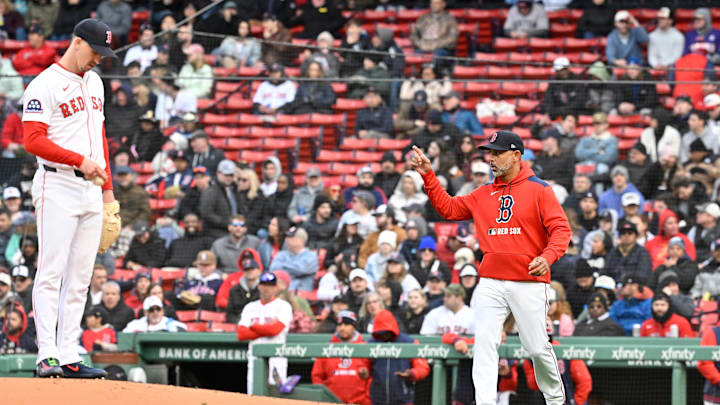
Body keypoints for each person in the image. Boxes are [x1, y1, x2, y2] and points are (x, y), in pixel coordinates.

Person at [411, 129, 571, 405]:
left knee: (536, 346)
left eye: (498, 153)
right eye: (489, 153)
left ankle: (555, 400)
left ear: (516, 155)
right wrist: (428, 175)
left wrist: (548, 256)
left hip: (529, 280)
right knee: (484, 345)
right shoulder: (483, 193)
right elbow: (448, 209)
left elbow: (561, 229)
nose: (492, 159)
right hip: (491, 281)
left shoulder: (540, 189)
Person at [22, 18, 118, 379]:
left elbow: (100, 136)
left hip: (92, 189)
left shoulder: (95, 82)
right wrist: (79, 160)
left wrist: (109, 194)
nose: (99, 59)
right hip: (57, 184)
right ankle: (46, 353)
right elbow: (32, 140)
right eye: (95, 50)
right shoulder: (43, 84)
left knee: (80, 277)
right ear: (77, 42)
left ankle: (68, 352)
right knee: (51, 272)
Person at [236, 272, 293, 395]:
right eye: (264, 285)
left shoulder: (283, 306)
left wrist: (253, 326)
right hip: (254, 357)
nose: (267, 288)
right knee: (254, 395)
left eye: (271, 285)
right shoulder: (250, 307)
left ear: (276, 288)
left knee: (276, 397)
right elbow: (241, 334)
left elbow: (275, 330)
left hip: (276, 357)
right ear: (259, 286)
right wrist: (266, 328)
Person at [368, 309, 430, 405]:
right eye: (381, 332)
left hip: (403, 398)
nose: (384, 335)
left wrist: (412, 373)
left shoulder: (409, 342)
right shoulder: (371, 343)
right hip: (377, 398)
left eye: (387, 332)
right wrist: (363, 372)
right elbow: (364, 366)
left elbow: (423, 367)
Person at [311, 310, 371, 405]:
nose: (342, 328)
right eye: (339, 325)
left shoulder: (364, 347)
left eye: (347, 324)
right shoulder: (327, 348)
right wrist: (324, 400)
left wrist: (365, 401)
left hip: (359, 402)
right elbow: (317, 377)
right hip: (331, 402)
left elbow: (371, 378)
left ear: (353, 326)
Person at [269, 226, 318, 291]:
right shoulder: (281, 254)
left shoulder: (311, 256)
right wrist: (294, 269)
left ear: (301, 240)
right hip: (281, 292)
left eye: (290, 237)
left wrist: (283, 267)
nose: (286, 239)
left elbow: (301, 270)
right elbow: (273, 270)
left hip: (302, 293)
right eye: (287, 237)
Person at [409, 0, 457, 66]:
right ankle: (414, 75)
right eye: (432, 3)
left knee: (439, 55)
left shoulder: (450, 19)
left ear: (443, 4)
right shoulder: (423, 18)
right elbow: (413, 35)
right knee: (413, 55)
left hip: (441, 48)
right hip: (423, 46)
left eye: (437, 3)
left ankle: (439, 74)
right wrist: (420, 44)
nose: (434, 5)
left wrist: (435, 45)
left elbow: (452, 38)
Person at [199, 160, 239, 239]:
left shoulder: (234, 189)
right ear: (218, 173)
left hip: (233, 231)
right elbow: (207, 214)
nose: (229, 178)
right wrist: (227, 223)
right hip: (215, 233)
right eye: (226, 175)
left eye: (231, 175)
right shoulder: (211, 191)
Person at [122, 296, 187, 333]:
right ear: (145, 312)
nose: (155, 312)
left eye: (158, 309)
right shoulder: (136, 324)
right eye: (151, 310)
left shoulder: (169, 323)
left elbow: (184, 328)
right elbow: (124, 336)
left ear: (162, 311)